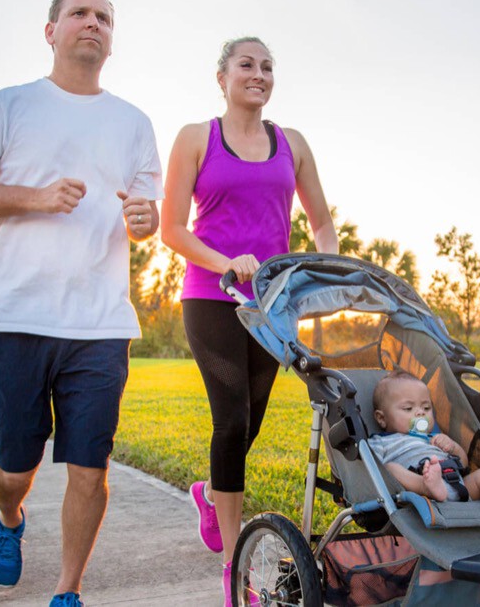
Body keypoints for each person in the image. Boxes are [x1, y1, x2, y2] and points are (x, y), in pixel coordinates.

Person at [0, 0, 161, 606]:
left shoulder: (134, 123)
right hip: (15, 316)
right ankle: (10, 517)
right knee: (16, 469)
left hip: (100, 323)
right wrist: (37, 197)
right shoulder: (7, 106)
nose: (93, 24)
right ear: (51, 31)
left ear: (111, 38)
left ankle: (67, 592)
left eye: (104, 18)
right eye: (80, 14)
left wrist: (144, 222)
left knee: (91, 467)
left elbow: (143, 216)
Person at [160, 37, 339, 604]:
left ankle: (212, 497)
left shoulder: (293, 143)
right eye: (246, 65)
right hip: (212, 295)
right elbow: (172, 229)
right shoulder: (196, 138)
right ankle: (235, 562)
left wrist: (324, 271)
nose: (258, 74)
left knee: (252, 420)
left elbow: (320, 222)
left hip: (272, 303)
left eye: (267, 67)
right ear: (222, 76)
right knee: (231, 414)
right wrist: (225, 262)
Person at [369, 370, 480, 520]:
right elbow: (368, 468)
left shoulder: (433, 438)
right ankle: (426, 486)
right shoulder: (382, 441)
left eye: (426, 407)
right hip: (419, 492)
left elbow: (463, 464)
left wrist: (453, 447)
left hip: (458, 485)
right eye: (408, 408)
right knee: (389, 468)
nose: (420, 413)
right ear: (381, 419)